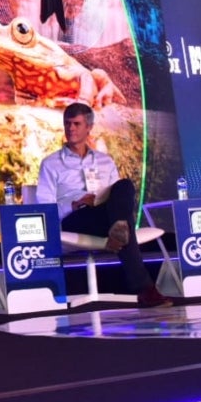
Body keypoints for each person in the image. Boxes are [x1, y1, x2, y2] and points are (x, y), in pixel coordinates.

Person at [36, 102, 171, 307]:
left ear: (89, 127)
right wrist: (73, 204)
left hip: (104, 215)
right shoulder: (51, 163)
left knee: (124, 186)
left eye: (76, 124)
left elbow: (118, 198)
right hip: (75, 218)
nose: (71, 128)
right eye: (67, 124)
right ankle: (145, 289)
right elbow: (44, 209)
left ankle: (119, 232)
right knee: (122, 223)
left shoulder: (105, 161)